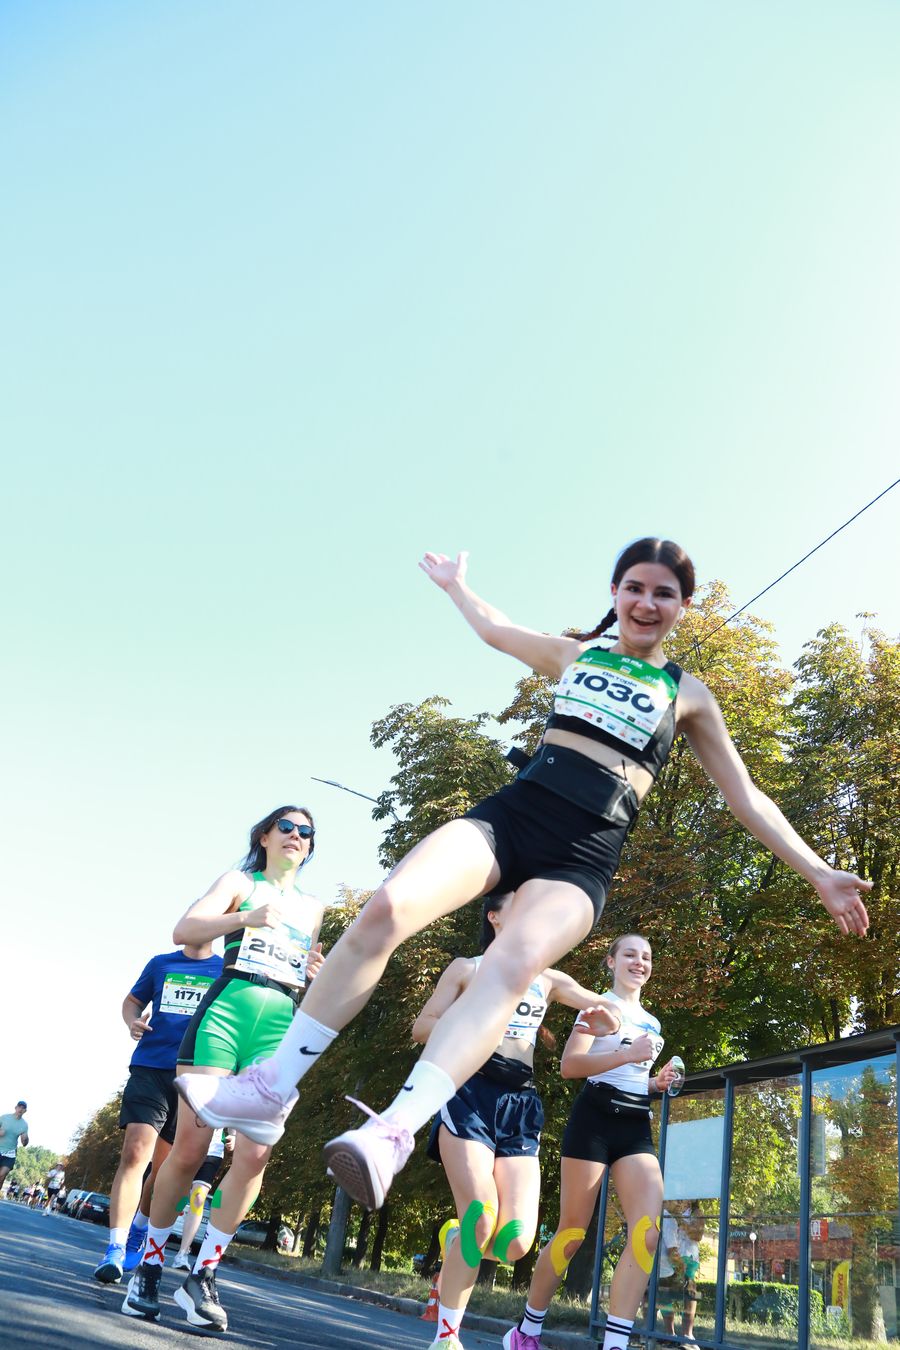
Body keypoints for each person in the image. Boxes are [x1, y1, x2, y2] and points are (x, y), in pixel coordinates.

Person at [178, 539, 870, 1214]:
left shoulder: (688, 695)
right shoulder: (577, 655)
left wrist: (817, 872)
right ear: (615, 593)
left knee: (507, 965)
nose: (646, 603)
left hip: (582, 855)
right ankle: (274, 1087)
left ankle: (392, 1132)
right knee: (386, 907)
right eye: (634, 588)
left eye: (664, 593)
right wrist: (457, 587)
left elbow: (746, 796)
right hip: (513, 816)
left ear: (683, 606)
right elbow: (497, 630)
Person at [123, 805, 324, 1333]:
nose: (297, 836)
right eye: (287, 827)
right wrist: (243, 918)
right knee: (190, 1150)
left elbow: (305, 974)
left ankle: (203, 1273)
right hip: (224, 1016)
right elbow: (184, 929)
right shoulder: (241, 882)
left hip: (279, 1028)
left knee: (255, 1156)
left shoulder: (313, 908)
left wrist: (315, 973)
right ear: (265, 836)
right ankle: (149, 1268)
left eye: (306, 832)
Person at [414, 891, 620, 1350]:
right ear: (494, 917)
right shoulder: (467, 969)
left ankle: (455, 1240)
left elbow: (605, 1008)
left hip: (519, 1103)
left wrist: (608, 1022)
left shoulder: (546, 978)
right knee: (480, 1218)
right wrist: (468, 1019)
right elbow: (421, 1027)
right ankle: (446, 1337)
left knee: (514, 1242)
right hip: (469, 1091)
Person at [503, 933, 680, 1350]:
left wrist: (655, 1082)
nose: (639, 962)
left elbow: (633, 1077)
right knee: (572, 1234)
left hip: (635, 1123)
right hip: (594, 1120)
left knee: (647, 1233)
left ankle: (615, 1343)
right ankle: (526, 1331)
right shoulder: (597, 1008)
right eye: (630, 954)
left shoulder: (653, 1023)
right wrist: (628, 1054)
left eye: (646, 957)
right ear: (611, 962)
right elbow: (570, 1065)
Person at [93, 939, 224, 1283]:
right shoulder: (160, 963)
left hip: (195, 1075)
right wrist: (132, 1022)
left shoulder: (225, 969)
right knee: (136, 1153)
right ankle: (114, 1249)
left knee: (163, 1170)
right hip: (150, 1067)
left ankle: (139, 1228)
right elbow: (132, 1002)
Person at [170, 1130, 234, 1271]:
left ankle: (182, 1253)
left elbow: (234, 1118)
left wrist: (233, 1135)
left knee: (198, 1198)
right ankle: (153, 1243)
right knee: (175, 1196)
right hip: (186, 1145)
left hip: (212, 1152)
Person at [658, 1201, 705, 1342]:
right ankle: (669, 1333)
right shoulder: (670, 1208)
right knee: (664, 1292)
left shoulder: (696, 1213)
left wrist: (681, 1221)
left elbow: (698, 1236)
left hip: (688, 1256)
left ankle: (687, 1334)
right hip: (670, 1256)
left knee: (689, 1292)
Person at [0, 1101, 30, 1190]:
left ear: (25, 1111)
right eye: (19, 1107)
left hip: (10, 1153)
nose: (21, 1109)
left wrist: (25, 1139)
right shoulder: (4, 1117)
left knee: (2, 1175)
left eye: (23, 1108)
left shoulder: (24, 1125)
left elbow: (24, 1144)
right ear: (15, 1107)